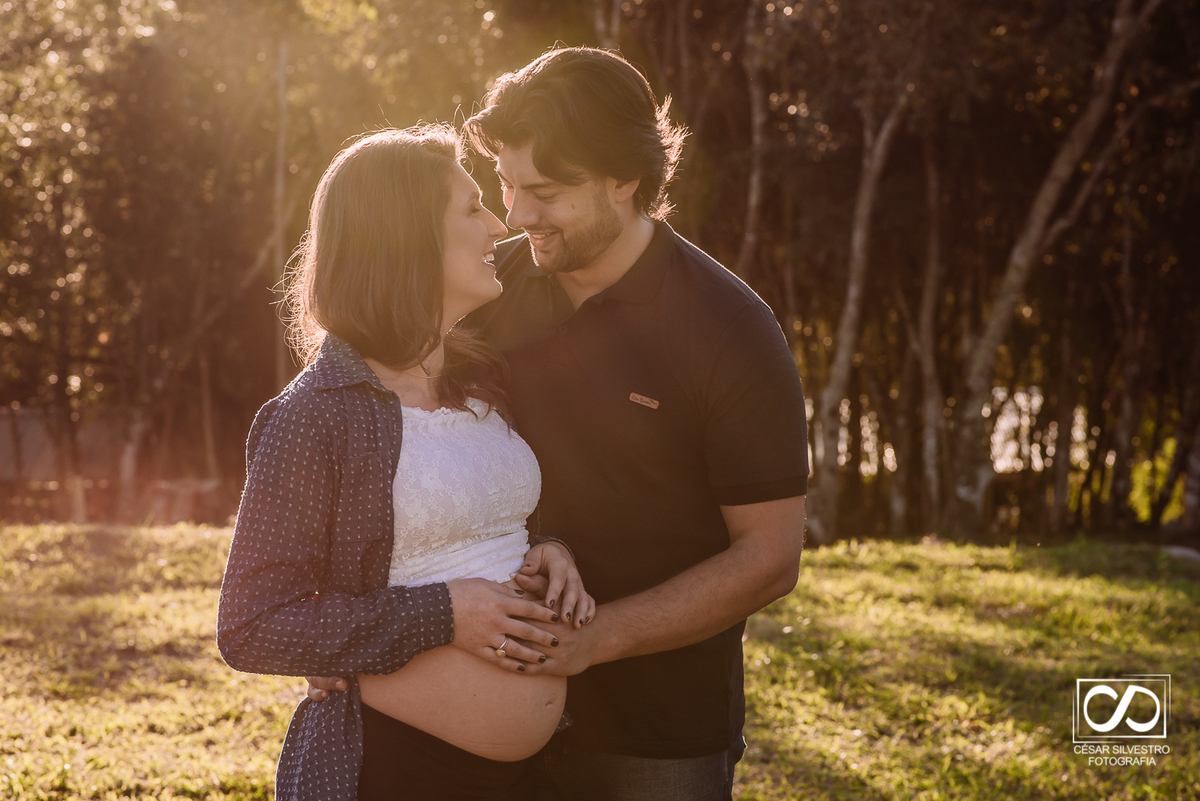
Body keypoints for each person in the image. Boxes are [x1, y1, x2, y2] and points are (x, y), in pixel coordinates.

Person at [310, 46, 809, 799]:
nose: (515, 215)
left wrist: (595, 637)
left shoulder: (728, 327)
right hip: (475, 726)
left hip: (657, 732)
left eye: (544, 191)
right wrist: (337, 621)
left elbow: (770, 555)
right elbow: (374, 432)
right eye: (506, 185)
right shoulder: (480, 289)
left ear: (625, 179)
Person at [216, 124, 595, 801]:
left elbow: (461, 530)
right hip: (394, 770)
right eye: (472, 208)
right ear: (406, 239)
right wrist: (443, 615)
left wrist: (546, 551)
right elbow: (252, 625)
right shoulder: (316, 414)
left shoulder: (480, 381)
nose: (496, 226)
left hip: (527, 775)